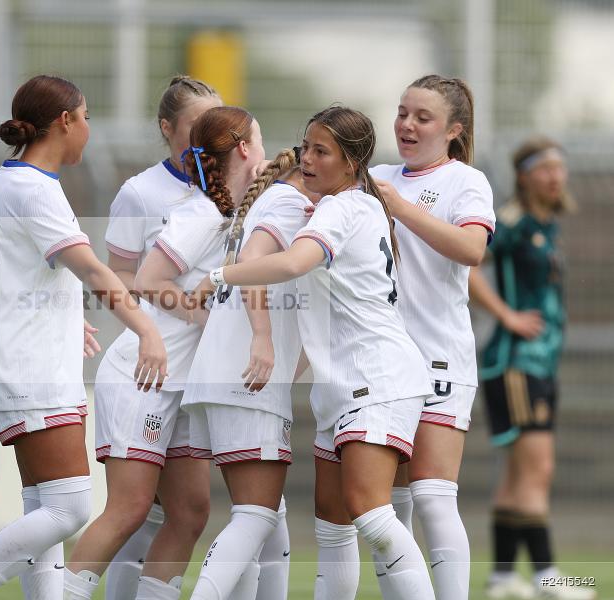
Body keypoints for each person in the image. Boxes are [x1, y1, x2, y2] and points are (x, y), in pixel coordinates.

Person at [0, 75, 168, 600]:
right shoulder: (32, 188)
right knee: (68, 508)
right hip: (31, 369)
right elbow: (95, 271)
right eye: (88, 118)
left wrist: (64, 316)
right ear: (65, 122)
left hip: (31, 360)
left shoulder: (17, 182)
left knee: (45, 507)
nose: (90, 130)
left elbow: (23, 273)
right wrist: (147, 330)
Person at [207, 106, 436, 600]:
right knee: (334, 527)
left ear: (352, 161)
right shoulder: (356, 206)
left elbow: (290, 264)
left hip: (376, 379)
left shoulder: (345, 207)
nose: (307, 158)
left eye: (321, 150)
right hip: (346, 386)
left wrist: (218, 276)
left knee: (371, 513)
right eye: (306, 146)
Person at [63, 76, 221, 600]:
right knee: (130, 509)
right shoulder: (141, 192)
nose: (209, 137)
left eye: (218, 126)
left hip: (193, 379)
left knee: (192, 512)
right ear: (167, 128)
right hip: (144, 370)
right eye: (198, 126)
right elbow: (120, 280)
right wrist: (189, 310)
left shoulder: (233, 191)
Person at [367, 74, 496, 600]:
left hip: (440, 358)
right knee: (384, 506)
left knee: (433, 494)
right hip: (378, 365)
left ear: (453, 130)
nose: (406, 125)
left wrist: (400, 208)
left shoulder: (467, 182)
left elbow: (471, 250)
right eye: (402, 113)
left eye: (422, 117)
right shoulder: (374, 177)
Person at [180, 148, 315, 600]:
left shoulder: (270, 202)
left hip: (229, 374)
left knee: (267, 519)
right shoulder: (291, 204)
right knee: (255, 516)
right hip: (245, 374)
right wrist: (262, 335)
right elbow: (251, 266)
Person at [470, 138, 594, 600]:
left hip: (541, 365)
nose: (555, 176)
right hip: (517, 363)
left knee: (518, 476)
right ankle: (547, 576)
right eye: (545, 168)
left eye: (560, 168)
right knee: (537, 471)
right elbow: (467, 265)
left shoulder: (549, 226)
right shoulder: (513, 223)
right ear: (525, 175)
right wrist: (506, 316)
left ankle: (503, 577)